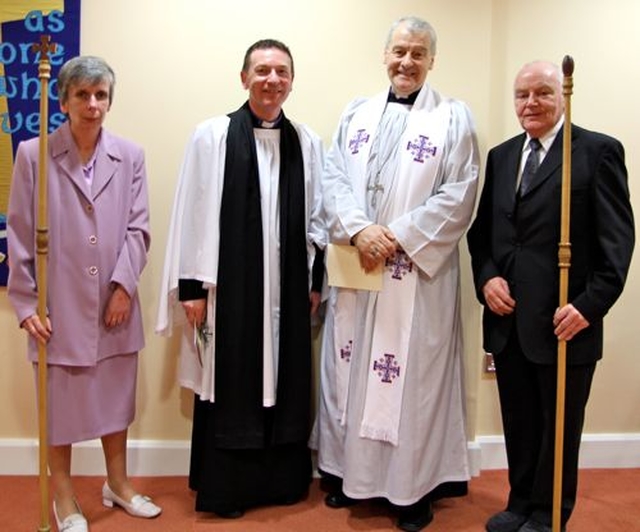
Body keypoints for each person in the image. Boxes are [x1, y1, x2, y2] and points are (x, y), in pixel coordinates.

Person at [311, 16, 480, 532]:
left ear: (432, 61)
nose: (407, 62)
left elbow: (460, 193)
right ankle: (343, 474)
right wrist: (361, 231)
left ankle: (411, 489)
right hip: (357, 267)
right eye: (399, 52)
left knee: (408, 381)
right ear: (385, 55)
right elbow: (333, 175)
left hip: (415, 276)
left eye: (418, 54)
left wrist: (397, 235)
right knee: (347, 367)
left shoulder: (453, 117)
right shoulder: (355, 113)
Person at [156, 39, 325, 518]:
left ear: (292, 80)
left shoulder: (306, 141)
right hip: (227, 290)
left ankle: (279, 483)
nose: (273, 80)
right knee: (230, 378)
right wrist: (191, 288)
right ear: (243, 77)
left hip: (287, 291)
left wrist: (314, 281)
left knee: (283, 376)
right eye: (263, 70)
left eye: (282, 72)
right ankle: (227, 489)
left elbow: (318, 220)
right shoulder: (211, 135)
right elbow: (192, 210)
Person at [467, 61, 634, 532]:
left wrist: (587, 307)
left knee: (558, 427)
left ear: (561, 96)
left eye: (542, 93)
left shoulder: (596, 152)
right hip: (508, 319)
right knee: (519, 422)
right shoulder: (501, 157)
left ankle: (548, 512)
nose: (531, 103)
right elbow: (483, 236)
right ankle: (519, 503)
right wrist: (487, 279)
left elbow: (617, 246)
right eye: (522, 95)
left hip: (564, 321)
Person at [7, 56, 160, 532]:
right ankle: (65, 497)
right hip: (61, 307)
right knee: (61, 409)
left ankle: (118, 484)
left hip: (115, 305)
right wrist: (27, 304)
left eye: (101, 95)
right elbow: (19, 232)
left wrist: (123, 288)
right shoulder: (34, 155)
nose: (93, 105)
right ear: (64, 100)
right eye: (82, 95)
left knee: (116, 401)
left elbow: (138, 229)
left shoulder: (130, 155)